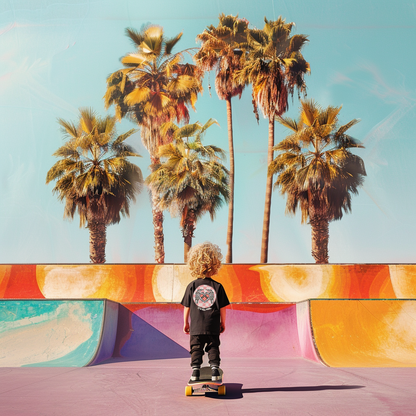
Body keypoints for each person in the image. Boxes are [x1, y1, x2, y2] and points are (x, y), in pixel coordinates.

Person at [181, 242, 230, 382]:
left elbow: (187, 306)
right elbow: (222, 307)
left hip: (196, 327)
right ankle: (214, 370)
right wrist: (223, 323)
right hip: (212, 326)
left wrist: (185, 322)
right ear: (215, 264)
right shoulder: (218, 286)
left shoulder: (191, 286)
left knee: (196, 349)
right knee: (213, 347)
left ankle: (195, 372)